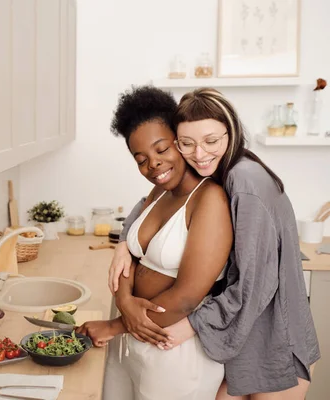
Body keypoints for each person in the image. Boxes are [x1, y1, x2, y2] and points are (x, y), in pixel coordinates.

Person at [108, 87, 320, 399]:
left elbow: (256, 285)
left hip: (273, 336)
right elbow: (148, 202)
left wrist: (190, 324)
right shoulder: (209, 168)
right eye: (188, 143)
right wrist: (124, 241)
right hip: (236, 334)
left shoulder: (243, 180)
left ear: (230, 131)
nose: (199, 152)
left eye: (211, 140)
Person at [76, 86, 233, 399]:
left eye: (162, 149)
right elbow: (130, 258)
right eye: (141, 159)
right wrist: (124, 301)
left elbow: (188, 296)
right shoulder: (159, 192)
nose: (153, 165)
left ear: (180, 140)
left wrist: (116, 325)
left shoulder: (210, 200)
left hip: (174, 350)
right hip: (130, 343)